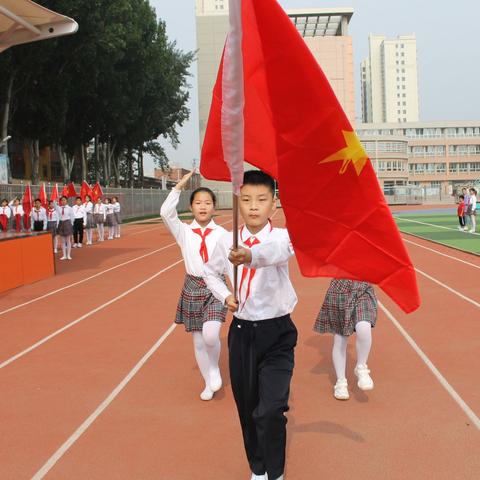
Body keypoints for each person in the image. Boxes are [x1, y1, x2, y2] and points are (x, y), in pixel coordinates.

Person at [204, 170, 297, 480]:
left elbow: (274, 254)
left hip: (278, 334)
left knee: (270, 410)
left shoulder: (281, 237)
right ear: (237, 203)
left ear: (274, 204)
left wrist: (249, 255)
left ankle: (276, 473)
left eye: (261, 199)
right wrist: (225, 294)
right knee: (247, 409)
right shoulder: (225, 240)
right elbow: (209, 272)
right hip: (242, 334)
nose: (254, 206)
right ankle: (257, 469)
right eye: (246, 200)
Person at [160, 170, 228, 401]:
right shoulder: (184, 232)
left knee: (211, 335)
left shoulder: (222, 234)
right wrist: (178, 187)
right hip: (192, 286)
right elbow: (165, 213)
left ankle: (215, 368)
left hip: (215, 286)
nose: (203, 206)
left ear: (214, 208)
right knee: (198, 340)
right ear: (191, 207)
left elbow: (230, 262)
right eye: (198, 203)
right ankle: (208, 382)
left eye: (207, 203)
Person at [313, 279, 377, 401]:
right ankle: (341, 382)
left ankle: (361, 367)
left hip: (362, 289)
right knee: (340, 340)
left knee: (364, 328)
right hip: (339, 291)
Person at [55, 196, 75, 260]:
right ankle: (64, 255)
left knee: (68, 240)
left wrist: (71, 224)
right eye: (62, 200)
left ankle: (68, 255)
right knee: (63, 241)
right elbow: (54, 205)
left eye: (64, 200)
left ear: (66, 201)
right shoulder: (59, 208)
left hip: (67, 223)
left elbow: (72, 216)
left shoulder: (69, 208)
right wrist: (56, 199)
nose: (63, 201)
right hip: (61, 223)